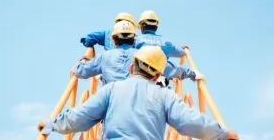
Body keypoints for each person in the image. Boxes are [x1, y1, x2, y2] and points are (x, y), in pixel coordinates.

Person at [38, 46, 239, 140]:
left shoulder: (111, 90)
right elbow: (190, 122)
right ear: (157, 76)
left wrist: (51, 125)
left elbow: (80, 117)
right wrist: (222, 134)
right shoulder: (166, 96)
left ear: (131, 68)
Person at [74, 20, 198, 86]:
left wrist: (85, 58)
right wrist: (192, 74)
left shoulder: (104, 57)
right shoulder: (144, 55)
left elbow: (80, 71)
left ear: (113, 38)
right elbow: (171, 69)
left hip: (111, 110)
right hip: (140, 107)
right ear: (134, 38)